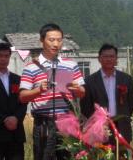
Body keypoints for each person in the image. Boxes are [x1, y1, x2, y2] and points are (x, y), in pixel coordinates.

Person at [19, 23, 85, 160]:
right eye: (51, 40)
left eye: (59, 40)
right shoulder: (31, 67)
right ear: (42, 41)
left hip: (67, 122)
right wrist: (39, 90)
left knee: (69, 157)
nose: (56, 44)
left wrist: (77, 89)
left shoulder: (71, 64)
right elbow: (22, 97)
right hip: (43, 123)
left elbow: (82, 93)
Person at [80, 44, 133, 145]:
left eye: (112, 56)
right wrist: (97, 122)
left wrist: (122, 117)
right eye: (105, 56)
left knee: (121, 153)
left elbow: (131, 104)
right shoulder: (89, 81)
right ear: (99, 59)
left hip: (122, 127)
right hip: (98, 128)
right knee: (101, 153)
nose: (109, 59)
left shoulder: (126, 79)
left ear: (116, 59)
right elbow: (85, 107)